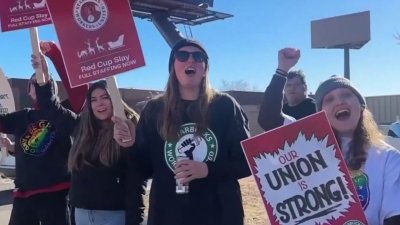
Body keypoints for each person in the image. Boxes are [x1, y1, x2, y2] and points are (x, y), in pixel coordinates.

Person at [260, 48, 400, 225]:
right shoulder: (305, 143)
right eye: (329, 99)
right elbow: (268, 118)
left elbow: (394, 217)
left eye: (346, 95)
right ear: (321, 113)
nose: (339, 101)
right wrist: (282, 69)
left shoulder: (387, 158)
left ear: (361, 106)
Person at [128, 39, 251, 225]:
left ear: (205, 68)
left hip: (219, 215)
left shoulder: (225, 106)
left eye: (198, 56)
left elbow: (247, 163)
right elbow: (142, 169)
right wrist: (129, 146)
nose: (190, 60)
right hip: (168, 215)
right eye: (182, 55)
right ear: (172, 66)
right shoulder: (154, 109)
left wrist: (207, 170)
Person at [0, 52, 77, 225]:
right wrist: (12, 146)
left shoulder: (63, 115)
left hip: (57, 192)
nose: (39, 84)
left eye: (43, 80)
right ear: (28, 89)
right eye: (35, 82)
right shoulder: (21, 117)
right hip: (24, 193)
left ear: (52, 88)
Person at [67, 80, 145, 225]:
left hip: (114, 216)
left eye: (105, 97)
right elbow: (54, 110)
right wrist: (43, 82)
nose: (99, 104)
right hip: (81, 214)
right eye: (94, 100)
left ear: (115, 99)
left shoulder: (130, 129)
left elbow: (136, 180)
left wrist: (135, 220)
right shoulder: (83, 130)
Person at [258, 48, 316, 131]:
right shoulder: (281, 110)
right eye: (288, 85)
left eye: (296, 84)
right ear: (284, 89)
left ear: (305, 87)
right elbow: (267, 118)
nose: (292, 88)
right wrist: (282, 69)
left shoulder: (316, 108)